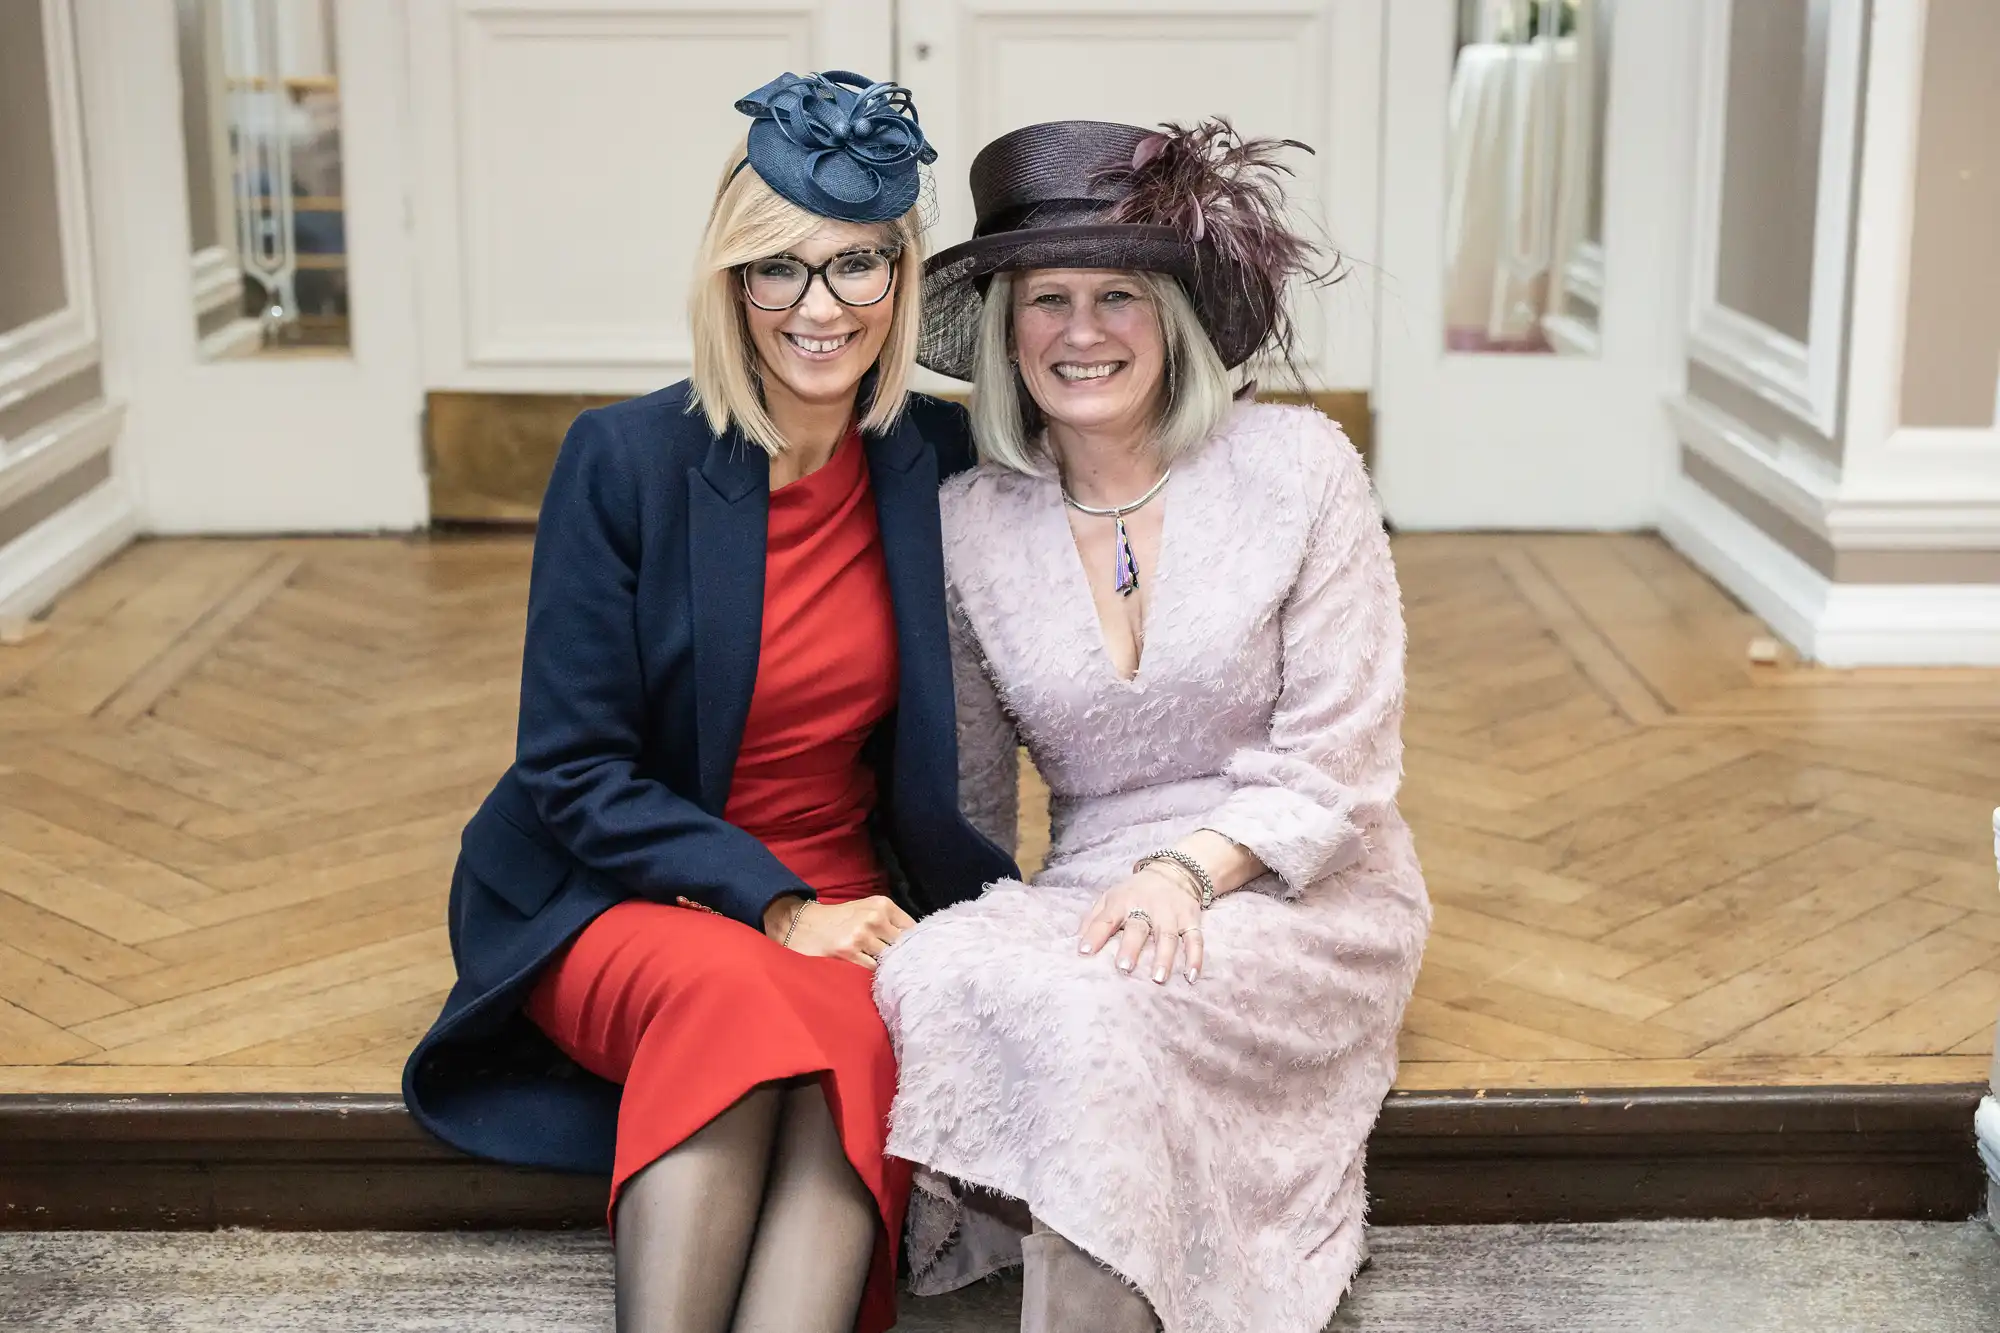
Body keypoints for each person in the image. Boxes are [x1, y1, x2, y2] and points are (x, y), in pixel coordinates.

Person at [401, 71, 1015, 1333]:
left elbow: (1113, 446)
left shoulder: (933, 461)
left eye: (854, 266)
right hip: (620, 889)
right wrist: (776, 905)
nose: (817, 306)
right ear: (729, 282)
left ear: (900, 280)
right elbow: (572, 770)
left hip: (851, 898)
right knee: (738, 997)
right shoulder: (625, 461)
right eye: (776, 267)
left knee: (862, 1041)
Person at [873, 119, 1431, 1333]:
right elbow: (970, 796)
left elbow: (1343, 764)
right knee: (936, 970)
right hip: (1090, 884)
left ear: (1170, 315)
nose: (1080, 333)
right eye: (1048, 299)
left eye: (1117, 294)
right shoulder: (970, 519)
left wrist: (1190, 869)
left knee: (1097, 1012)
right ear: (1009, 328)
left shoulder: (1298, 466)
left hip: (1299, 884)